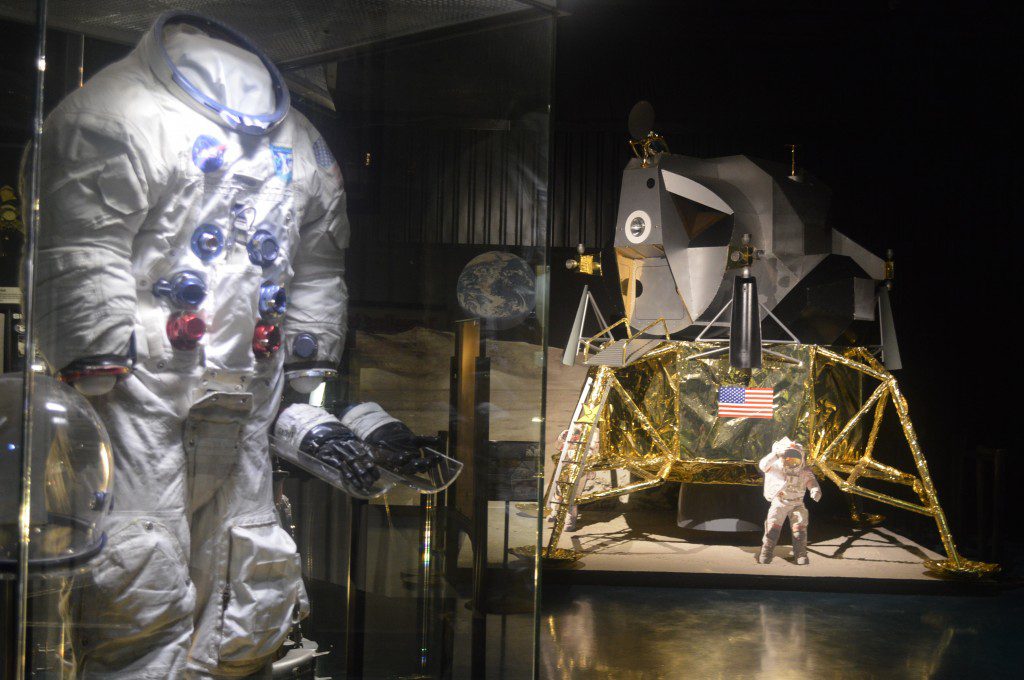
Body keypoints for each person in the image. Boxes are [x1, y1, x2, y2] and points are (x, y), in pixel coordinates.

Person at [757, 437, 821, 565]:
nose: (791, 461)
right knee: (772, 531)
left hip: (797, 504)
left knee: (799, 531)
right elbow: (763, 465)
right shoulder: (776, 468)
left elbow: (811, 482)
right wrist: (776, 454)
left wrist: (815, 490)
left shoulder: (804, 471)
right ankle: (766, 552)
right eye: (788, 458)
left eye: (795, 458)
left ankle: (800, 554)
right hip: (780, 502)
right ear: (783, 457)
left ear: (801, 458)